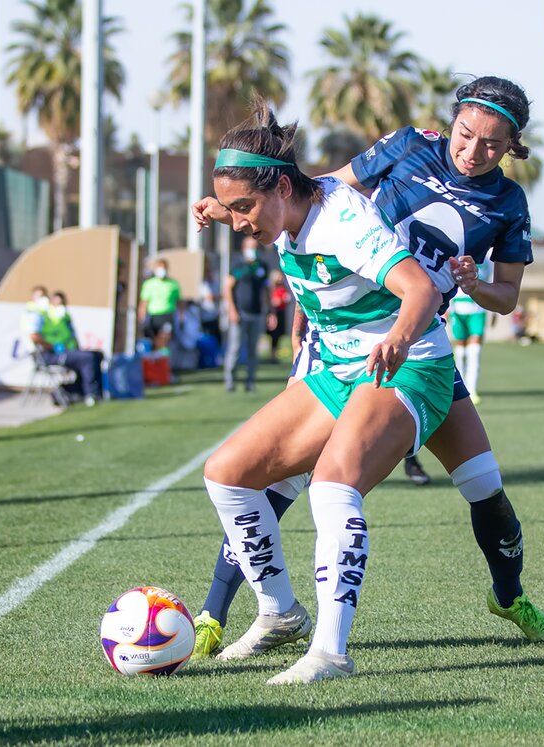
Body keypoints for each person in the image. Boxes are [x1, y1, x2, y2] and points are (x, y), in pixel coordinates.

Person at [190, 76, 544, 662]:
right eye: (465, 135)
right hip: (353, 340)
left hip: (411, 347)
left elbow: (507, 296)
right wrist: (235, 208)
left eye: (491, 145)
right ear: (452, 123)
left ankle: (507, 597)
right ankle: (236, 612)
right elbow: (310, 201)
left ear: (511, 146)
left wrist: (473, 285)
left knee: (479, 484)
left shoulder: (507, 204)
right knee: (267, 476)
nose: (472, 151)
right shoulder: (407, 147)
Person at [192, 100, 455, 684]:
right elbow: (255, 201)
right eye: (230, 209)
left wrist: (397, 343)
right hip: (336, 372)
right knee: (226, 474)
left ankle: (330, 651)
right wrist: (219, 206)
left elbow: (419, 291)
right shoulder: (288, 202)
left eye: (245, 209)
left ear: (282, 187)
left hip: (407, 368)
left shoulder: (343, 225)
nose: (239, 223)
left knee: (334, 485)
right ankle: (279, 613)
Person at [23, 286, 104, 406]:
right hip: (46, 355)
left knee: (96, 355)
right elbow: (35, 336)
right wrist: (53, 347)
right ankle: (91, 394)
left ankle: (79, 391)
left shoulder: (50, 315)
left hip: (59, 351)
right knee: (87, 358)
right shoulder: (34, 314)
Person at [223, 236, 269, 392]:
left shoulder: (261, 266)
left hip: (256, 313)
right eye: (250, 247)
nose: (253, 250)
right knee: (235, 348)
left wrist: (270, 311)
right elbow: (227, 288)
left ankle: (250, 381)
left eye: (255, 247)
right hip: (240, 313)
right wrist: (232, 310)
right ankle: (230, 380)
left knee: (252, 350)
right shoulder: (238, 266)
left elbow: (265, 290)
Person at [447, 260, 491, 404]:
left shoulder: (488, 258)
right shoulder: (458, 249)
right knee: (460, 349)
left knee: (475, 349)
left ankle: (472, 389)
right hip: (457, 307)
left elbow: (491, 279)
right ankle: (460, 386)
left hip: (478, 308)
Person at [138, 258, 181, 353]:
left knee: (165, 337)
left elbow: (179, 301)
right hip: (153, 315)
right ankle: (155, 357)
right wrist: (141, 315)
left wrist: (181, 315)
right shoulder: (149, 284)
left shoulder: (173, 284)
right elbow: (144, 301)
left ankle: (164, 358)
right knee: (154, 339)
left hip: (167, 315)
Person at [265, 270, 290, 363]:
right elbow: (270, 301)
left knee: (279, 334)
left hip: (281, 312)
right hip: (273, 313)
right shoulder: (270, 287)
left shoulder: (283, 287)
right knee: (273, 334)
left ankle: (276, 354)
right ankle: (272, 355)